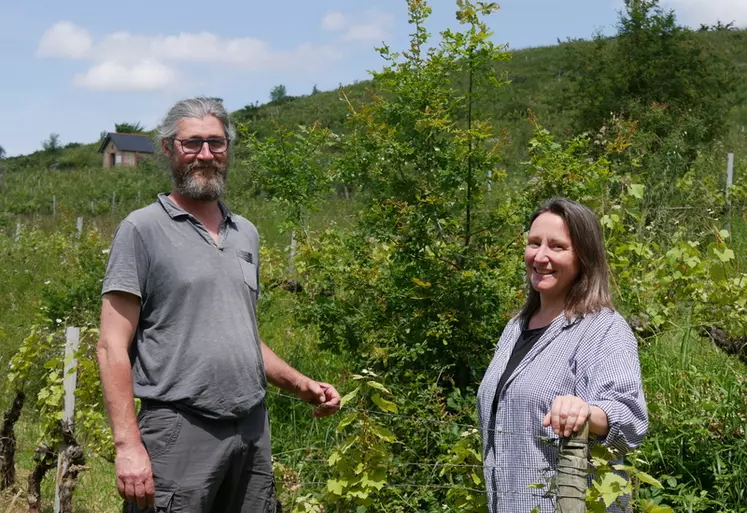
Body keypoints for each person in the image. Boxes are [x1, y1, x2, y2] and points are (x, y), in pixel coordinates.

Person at [97, 97, 341, 513]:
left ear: (228, 149)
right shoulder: (142, 229)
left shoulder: (245, 233)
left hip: (251, 428)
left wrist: (301, 384)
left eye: (216, 142)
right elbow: (111, 345)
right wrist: (128, 446)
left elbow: (241, 336)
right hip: (178, 429)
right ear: (168, 148)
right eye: (192, 144)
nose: (206, 155)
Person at [477, 197, 648, 513]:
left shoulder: (603, 328)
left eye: (557, 246)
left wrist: (586, 411)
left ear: (584, 257)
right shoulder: (514, 328)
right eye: (533, 243)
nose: (540, 256)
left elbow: (631, 420)